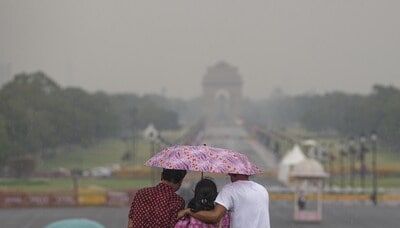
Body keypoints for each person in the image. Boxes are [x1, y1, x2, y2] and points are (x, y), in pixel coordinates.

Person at [184, 173, 270, 228]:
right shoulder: (262, 189)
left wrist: (189, 211)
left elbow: (215, 217)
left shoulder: (230, 189)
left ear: (232, 174)